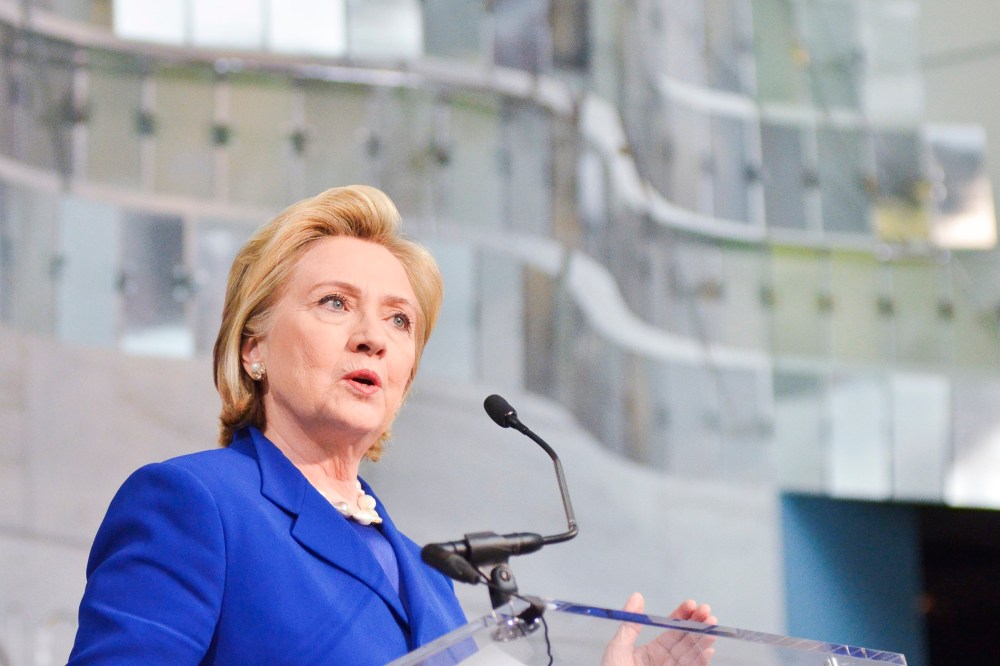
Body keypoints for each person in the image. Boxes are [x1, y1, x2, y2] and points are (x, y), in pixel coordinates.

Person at [68, 184, 715, 665]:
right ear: (253, 347)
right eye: (334, 303)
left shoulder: (429, 576)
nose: (373, 338)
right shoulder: (195, 505)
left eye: (399, 320)